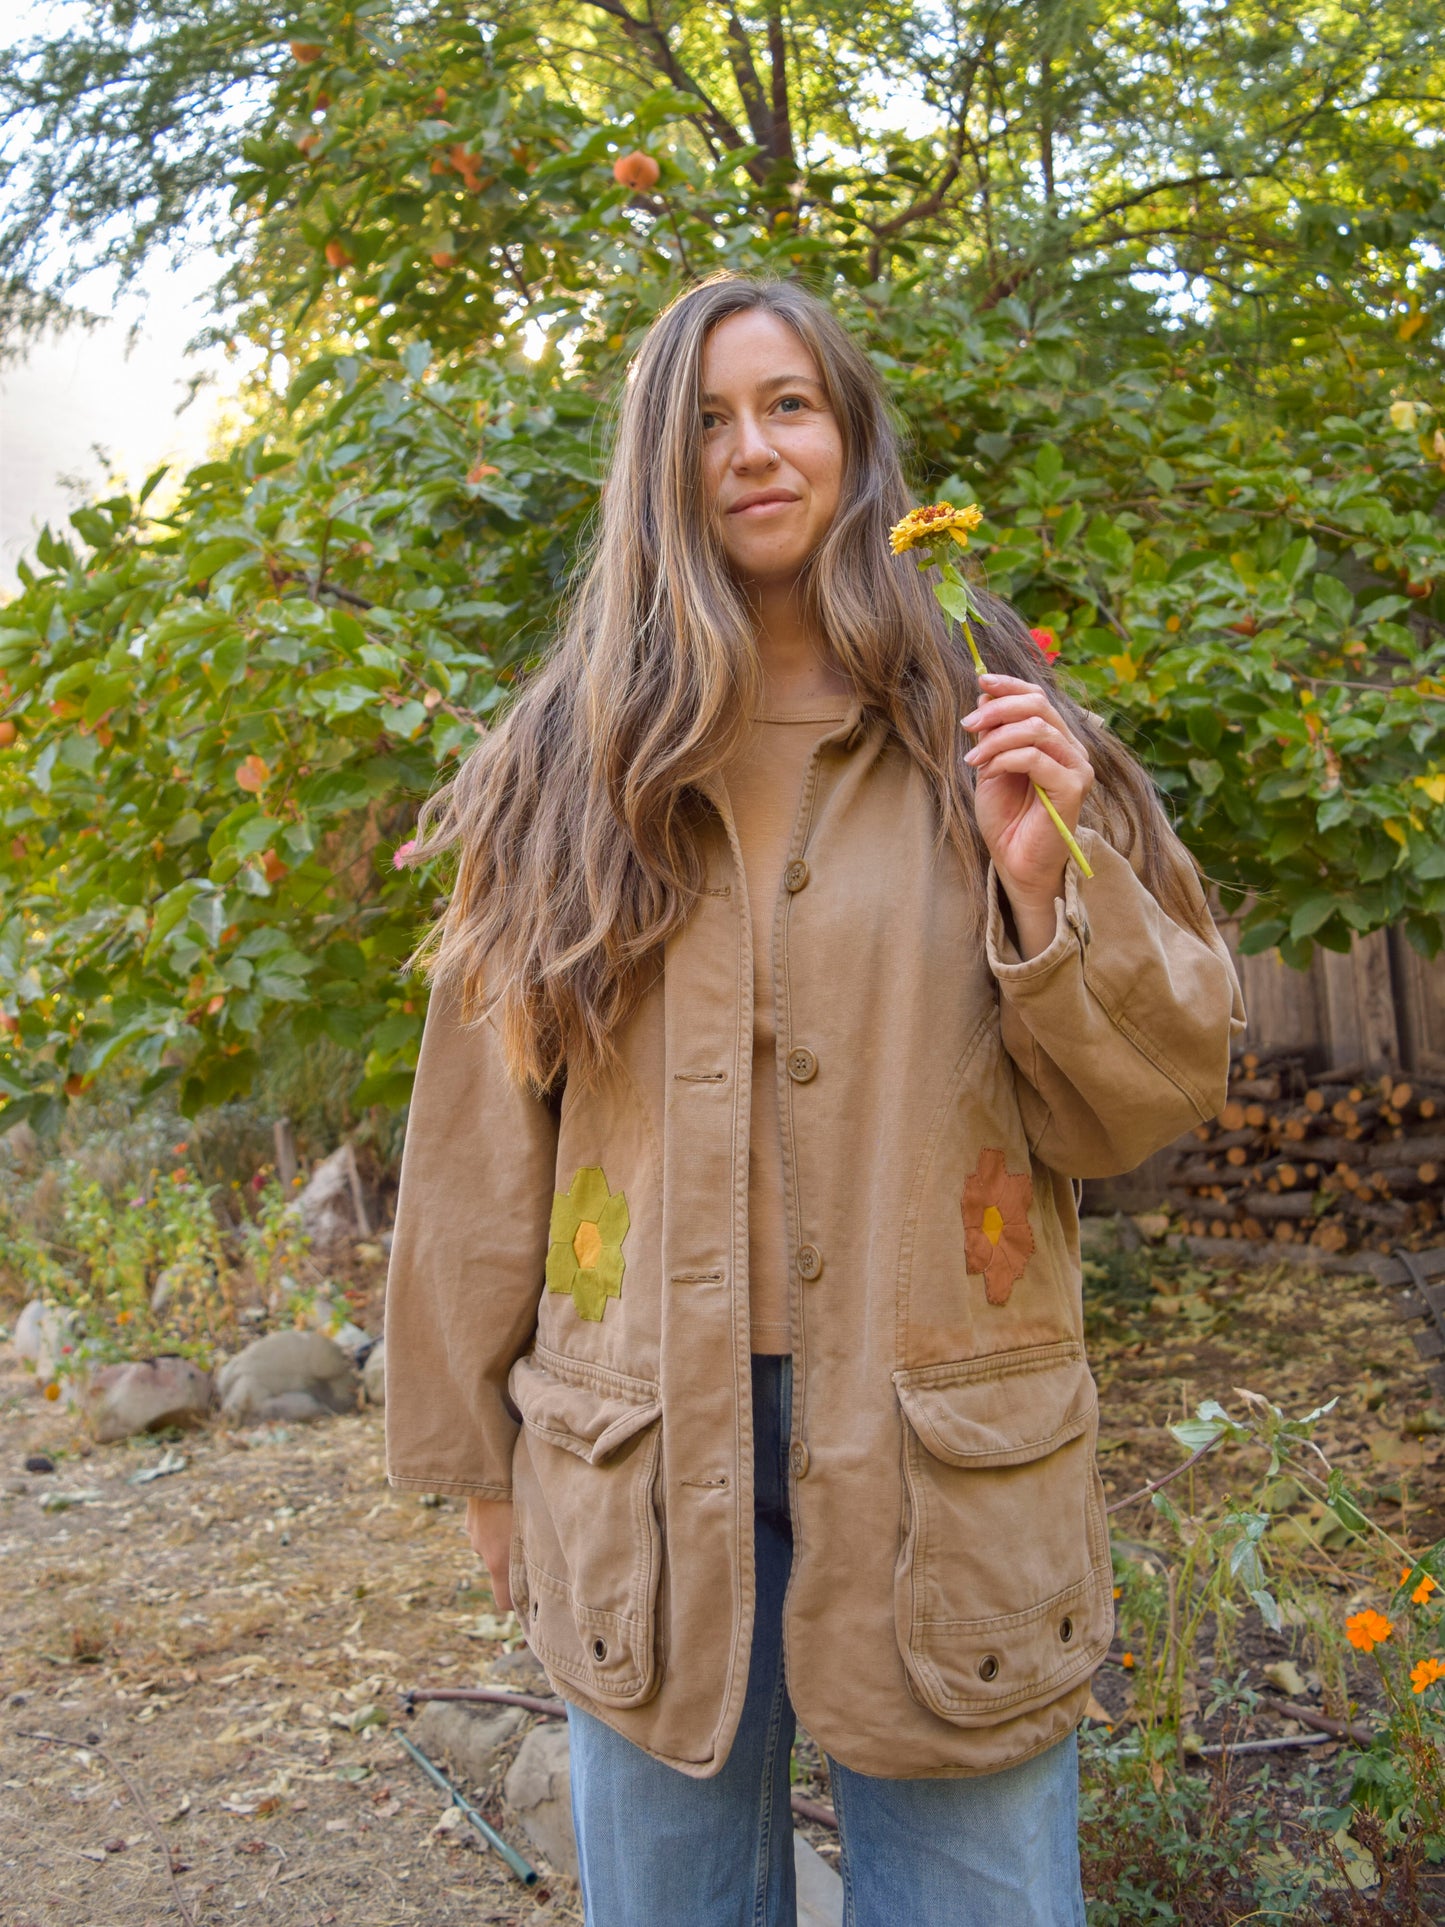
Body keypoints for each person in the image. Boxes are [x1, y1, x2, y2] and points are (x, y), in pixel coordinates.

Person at [382, 272, 1245, 1926]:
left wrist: (1043, 884)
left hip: (946, 1445)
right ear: (657, 464)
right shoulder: (571, 758)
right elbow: (485, 1135)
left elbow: (1145, 1097)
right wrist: (476, 1458)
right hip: (633, 1442)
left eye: (788, 406)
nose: (750, 450)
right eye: (705, 420)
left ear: (854, 439)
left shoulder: (982, 719)